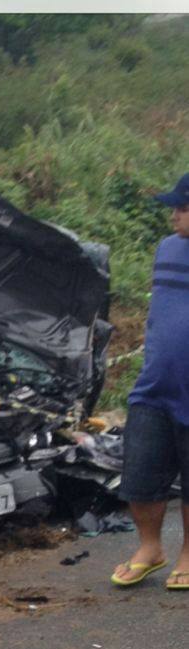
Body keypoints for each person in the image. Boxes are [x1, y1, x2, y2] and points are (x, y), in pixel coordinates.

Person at [111, 172, 189, 589]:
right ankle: (150, 548)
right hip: (155, 383)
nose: (173, 215)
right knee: (140, 473)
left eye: (182, 207)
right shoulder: (167, 250)